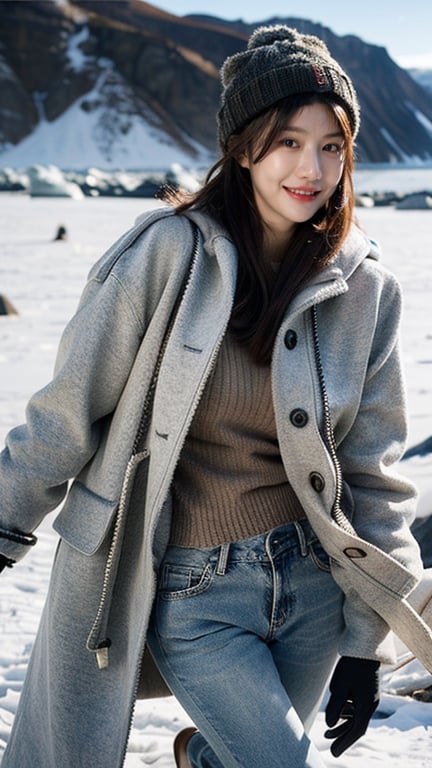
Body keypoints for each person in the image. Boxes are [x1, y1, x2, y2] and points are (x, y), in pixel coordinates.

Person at [1, 24, 431, 768]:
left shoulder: (367, 290)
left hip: (313, 589)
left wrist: (366, 643)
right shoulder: (164, 256)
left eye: (333, 146)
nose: (314, 168)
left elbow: (373, 475)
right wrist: (6, 521)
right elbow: (67, 408)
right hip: (193, 590)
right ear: (241, 146)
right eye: (289, 142)